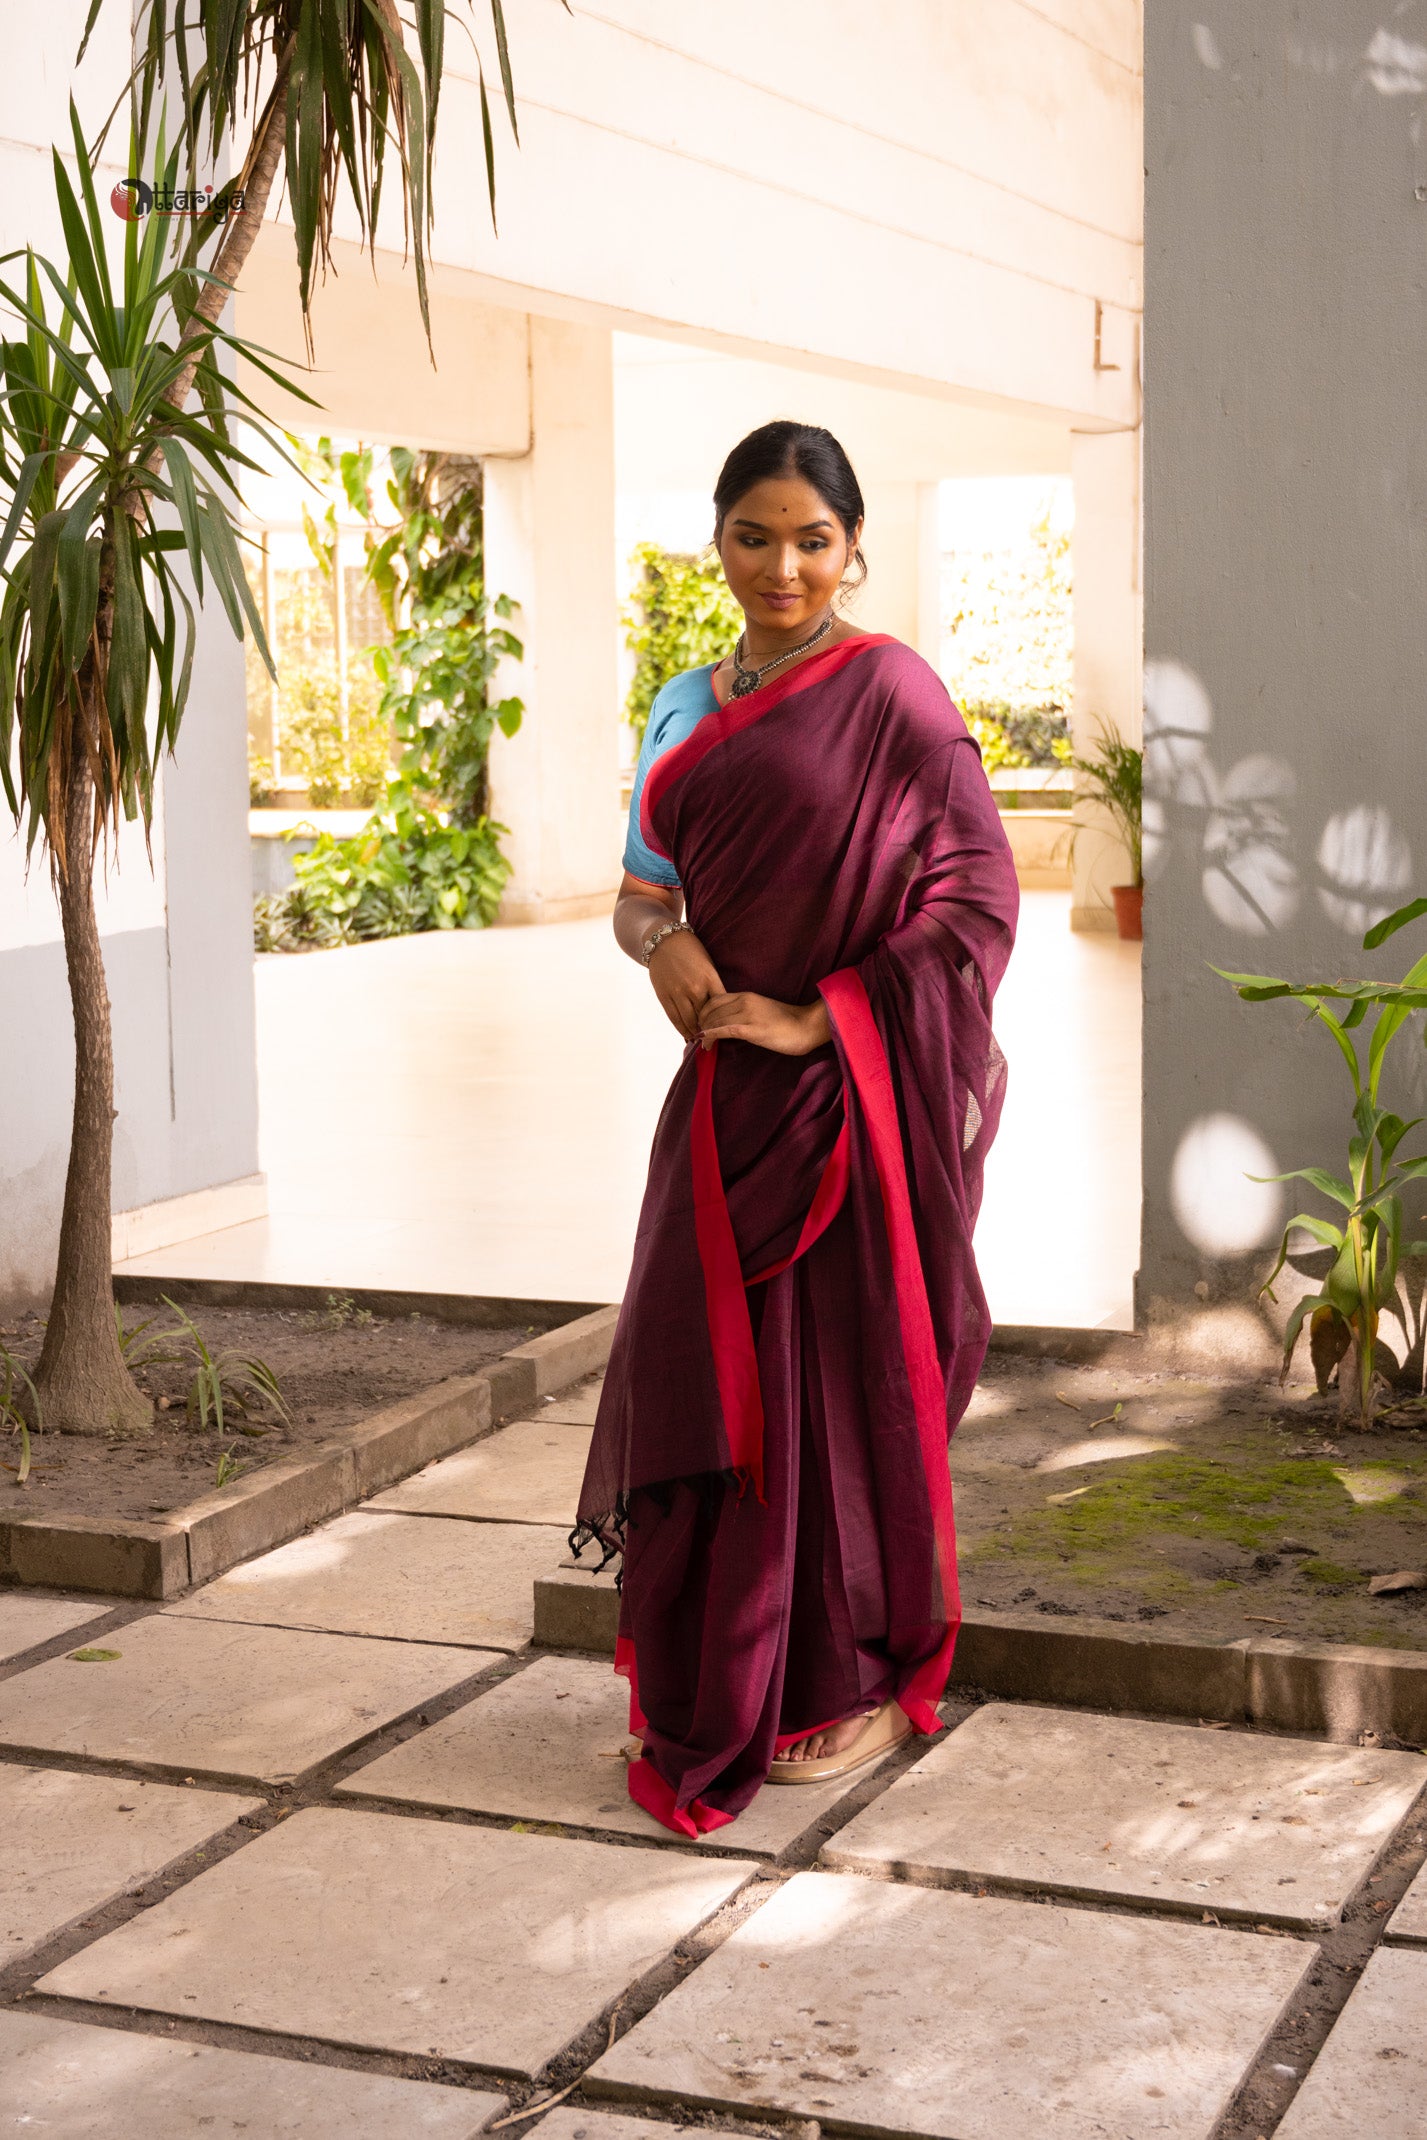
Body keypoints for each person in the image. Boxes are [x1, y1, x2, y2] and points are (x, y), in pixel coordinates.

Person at [573, 420, 1018, 1838]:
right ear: (717, 540)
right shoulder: (680, 707)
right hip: (715, 1113)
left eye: (811, 539)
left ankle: (846, 1674)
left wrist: (823, 1016)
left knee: (831, 1390)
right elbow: (643, 887)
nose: (783, 566)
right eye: (754, 535)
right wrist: (663, 952)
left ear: (851, 546)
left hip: (844, 1110)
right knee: (712, 1383)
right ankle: (716, 1678)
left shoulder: (894, 693)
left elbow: (974, 898)